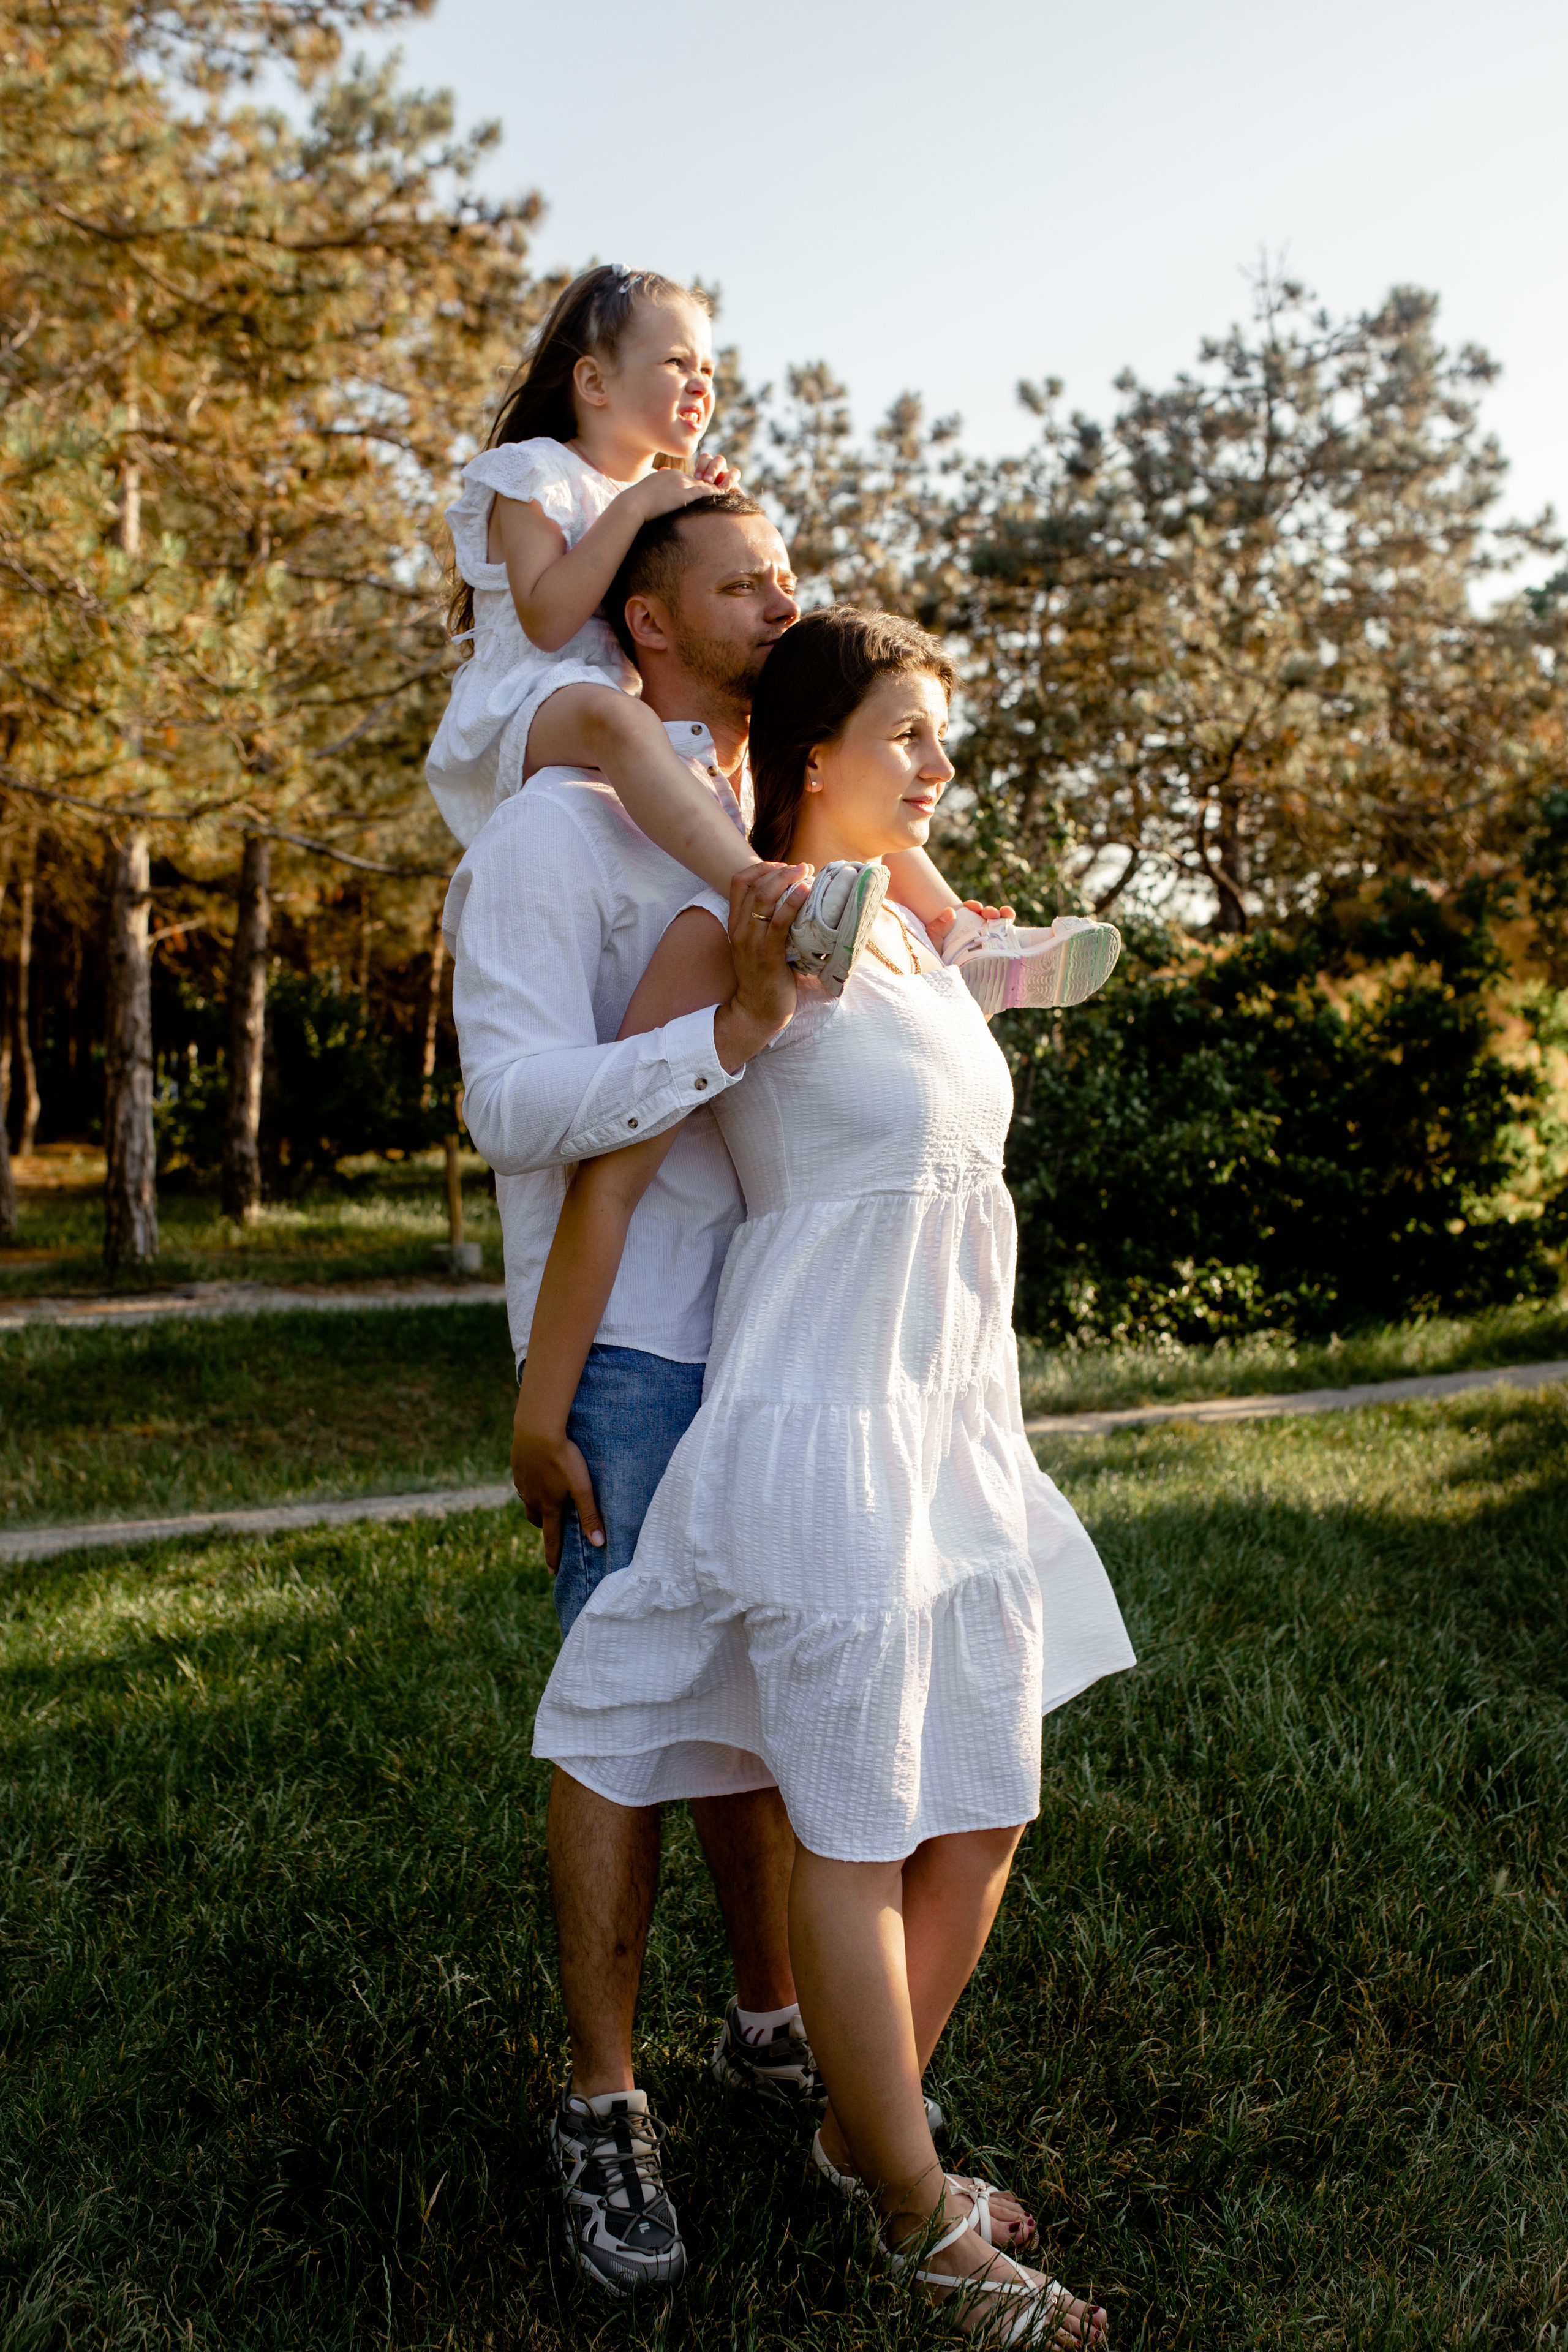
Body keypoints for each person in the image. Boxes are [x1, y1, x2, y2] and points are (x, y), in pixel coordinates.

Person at [525, 608, 1136, 2342]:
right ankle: (925, 2223)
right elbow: (619, 1182)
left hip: (956, 1422)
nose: (944, 772)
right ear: (810, 758)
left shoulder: (923, 951)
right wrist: (541, 1404)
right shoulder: (740, 935)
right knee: (860, 1826)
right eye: (913, 739)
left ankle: (865, 2145)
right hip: (824, 1425)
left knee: (988, 1797)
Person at [427, 262, 975, 989]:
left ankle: (959, 932)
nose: (700, 384)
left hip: (633, 697)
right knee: (613, 720)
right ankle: (766, 890)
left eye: (709, 368)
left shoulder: (667, 486)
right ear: (593, 384)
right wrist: (636, 505)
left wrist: (702, 508)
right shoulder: (534, 475)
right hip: (532, 702)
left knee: (833, 730)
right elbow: (551, 621)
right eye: (676, 362)